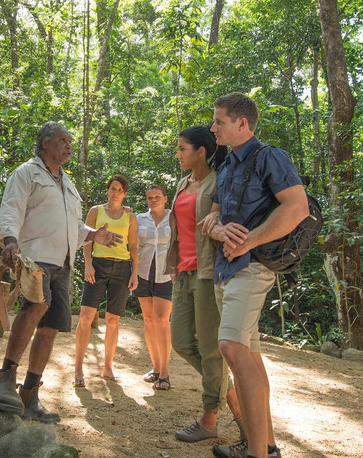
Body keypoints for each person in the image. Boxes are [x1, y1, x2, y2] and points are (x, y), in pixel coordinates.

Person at [202, 92, 309, 458]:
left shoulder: (270, 157)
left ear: (242, 124)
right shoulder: (226, 163)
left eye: (219, 121)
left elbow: (297, 207)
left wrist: (249, 241)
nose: (214, 128)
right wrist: (217, 230)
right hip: (226, 270)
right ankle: (265, 447)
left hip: (252, 267)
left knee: (230, 346)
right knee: (249, 352)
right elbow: (212, 217)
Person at [0, 122, 123, 423]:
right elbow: (11, 209)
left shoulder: (68, 184)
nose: (69, 145)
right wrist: (9, 241)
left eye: (70, 141)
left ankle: (29, 394)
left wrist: (93, 234)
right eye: (63, 140)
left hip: (63, 262)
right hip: (36, 258)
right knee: (36, 306)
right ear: (45, 143)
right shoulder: (27, 173)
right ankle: (5, 380)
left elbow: (74, 227)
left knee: (51, 326)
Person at [167, 126, 246, 441]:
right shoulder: (183, 183)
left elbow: (219, 224)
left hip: (207, 272)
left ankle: (209, 418)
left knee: (212, 350)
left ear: (201, 151)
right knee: (182, 341)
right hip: (183, 273)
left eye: (183, 149)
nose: (178, 154)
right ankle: (232, 396)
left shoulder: (218, 182)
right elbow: (176, 229)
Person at [74, 175, 138, 386]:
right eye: (112, 188)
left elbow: (134, 246)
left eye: (120, 189)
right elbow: (86, 238)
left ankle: (108, 368)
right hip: (98, 266)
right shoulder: (96, 211)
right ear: (108, 190)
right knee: (85, 316)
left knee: (113, 320)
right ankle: (78, 369)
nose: (116, 192)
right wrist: (88, 264)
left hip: (122, 268)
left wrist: (134, 272)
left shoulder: (130, 216)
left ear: (125, 193)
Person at [134, 184, 173, 389]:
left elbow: (181, 242)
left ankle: (165, 373)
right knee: (149, 320)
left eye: (157, 196)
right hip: (143, 272)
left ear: (165, 198)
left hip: (166, 274)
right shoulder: (139, 219)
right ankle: (156, 368)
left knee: (161, 321)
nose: (153, 200)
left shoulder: (174, 217)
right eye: (149, 197)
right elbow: (132, 245)